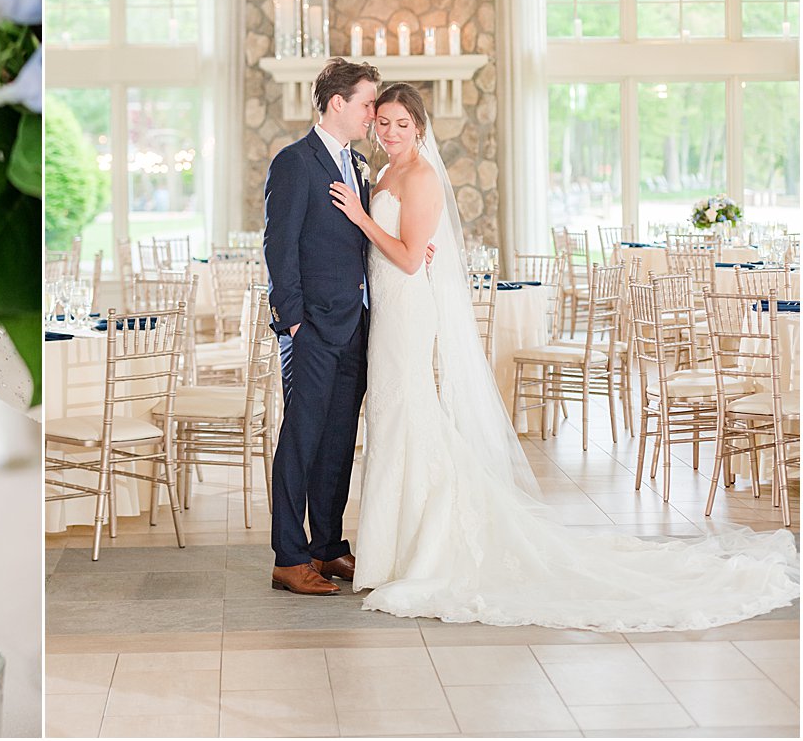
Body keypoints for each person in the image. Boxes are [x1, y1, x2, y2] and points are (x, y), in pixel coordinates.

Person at [327, 82, 799, 630]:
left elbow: (410, 260)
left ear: (419, 128)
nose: (389, 132)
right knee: (392, 418)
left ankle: (425, 548)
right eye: (382, 122)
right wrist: (381, 229)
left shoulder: (423, 176)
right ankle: (394, 549)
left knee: (408, 412)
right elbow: (406, 245)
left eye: (400, 124)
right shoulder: (383, 173)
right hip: (386, 310)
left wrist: (365, 221)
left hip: (408, 311)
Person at [263, 57, 379, 597]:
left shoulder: (357, 164)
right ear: (338, 103)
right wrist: (293, 324)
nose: (372, 114)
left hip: (355, 325)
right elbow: (278, 247)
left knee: (338, 440)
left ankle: (327, 547)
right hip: (309, 330)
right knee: (301, 440)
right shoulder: (294, 162)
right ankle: (289, 556)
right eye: (366, 104)